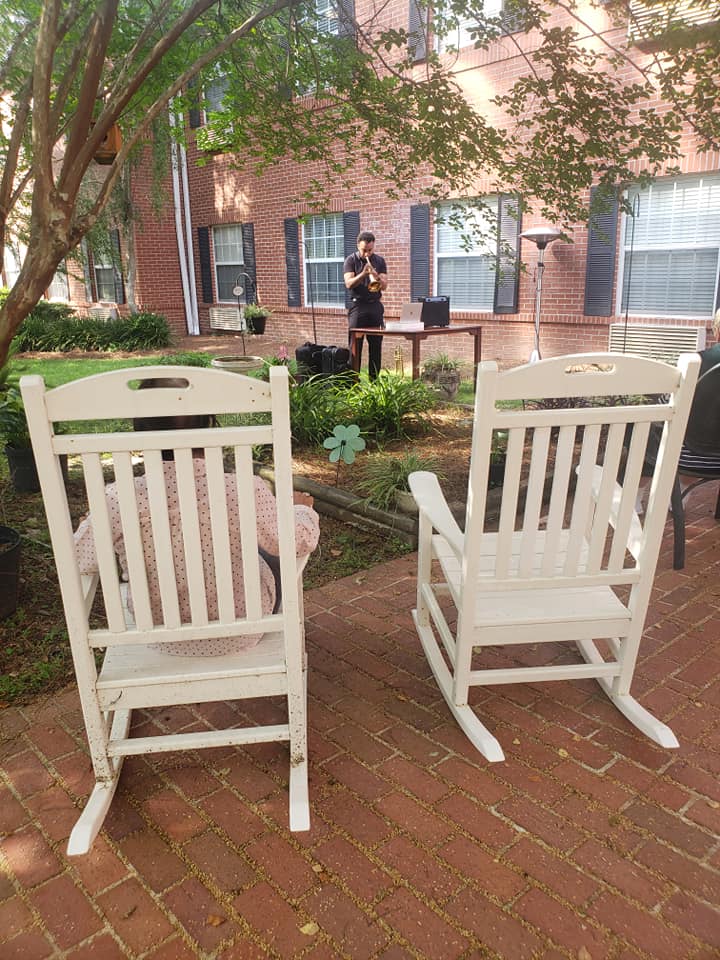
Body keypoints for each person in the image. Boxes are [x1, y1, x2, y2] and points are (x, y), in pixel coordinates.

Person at [73, 377, 320, 657]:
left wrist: (91, 522)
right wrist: (302, 511)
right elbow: (294, 541)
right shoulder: (241, 489)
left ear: (138, 433)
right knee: (266, 552)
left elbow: (80, 558)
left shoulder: (117, 500)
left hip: (159, 636)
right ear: (208, 426)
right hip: (242, 631)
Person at [344, 230, 388, 380]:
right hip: (358, 307)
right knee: (355, 346)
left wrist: (376, 275)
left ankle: (374, 381)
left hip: (375, 306)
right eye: (364, 250)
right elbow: (349, 283)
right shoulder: (351, 260)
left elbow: (385, 286)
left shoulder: (380, 261)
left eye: (370, 250)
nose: (367, 254)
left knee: (376, 345)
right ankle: (353, 382)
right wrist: (363, 274)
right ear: (358, 246)